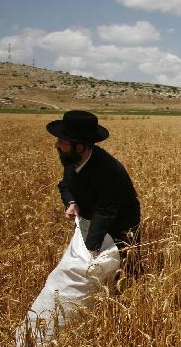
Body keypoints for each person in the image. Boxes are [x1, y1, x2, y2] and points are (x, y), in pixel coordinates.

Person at [47, 110, 141, 261]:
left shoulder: (109, 170)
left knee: (125, 266)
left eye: (61, 142)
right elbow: (65, 184)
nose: (56, 145)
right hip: (91, 219)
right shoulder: (72, 159)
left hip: (121, 223)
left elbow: (105, 211)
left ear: (79, 147)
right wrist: (71, 203)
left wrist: (91, 248)